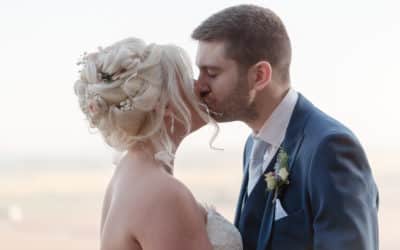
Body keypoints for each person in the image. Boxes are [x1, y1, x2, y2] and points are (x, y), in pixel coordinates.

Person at [192, 4, 379, 250]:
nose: (199, 86)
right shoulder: (252, 145)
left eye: (212, 73)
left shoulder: (330, 147)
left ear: (259, 75)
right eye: (199, 71)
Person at [74, 38, 243, 250]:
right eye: (186, 79)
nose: (199, 86)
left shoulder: (127, 171)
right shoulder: (164, 195)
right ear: (164, 106)